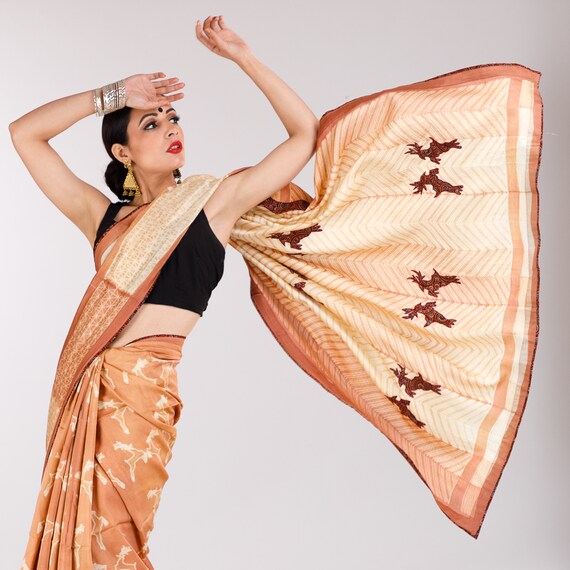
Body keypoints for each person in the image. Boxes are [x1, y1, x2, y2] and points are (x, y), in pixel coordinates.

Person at [11, 14, 543, 568]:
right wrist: (115, 94)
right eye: (151, 123)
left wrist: (244, 57)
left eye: (173, 117)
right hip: (91, 386)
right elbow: (25, 134)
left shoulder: (214, 203)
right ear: (123, 153)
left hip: (143, 394)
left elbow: (304, 136)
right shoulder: (103, 220)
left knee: (118, 543)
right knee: (81, 541)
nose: (170, 128)